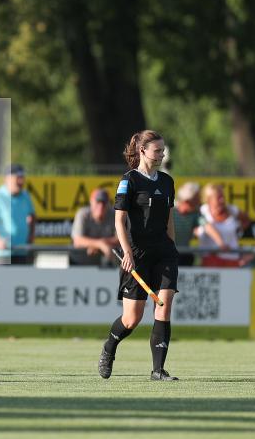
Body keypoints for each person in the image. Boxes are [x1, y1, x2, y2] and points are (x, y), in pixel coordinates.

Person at [98, 130, 180, 382]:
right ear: (143, 151)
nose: (162, 154)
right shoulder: (129, 181)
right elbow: (119, 221)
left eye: (163, 150)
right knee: (132, 318)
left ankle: (158, 370)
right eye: (157, 150)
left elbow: (168, 219)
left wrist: (172, 248)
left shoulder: (167, 182)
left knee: (163, 307)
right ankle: (109, 347)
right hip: (137, 255)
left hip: (164, 253)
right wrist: (127, 253)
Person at [0, 164, 36, 264]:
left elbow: (32, 216)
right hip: (3, 254)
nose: (21, 181)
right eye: (18, 178)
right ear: (7, 179)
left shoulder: (25, 195)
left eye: (22, 178)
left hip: (22, 252)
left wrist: (31, 236)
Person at [197, 184, 251, 268]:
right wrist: (221, 244)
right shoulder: (202, 211)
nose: (222, 200)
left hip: (232, 259)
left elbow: (246, 219)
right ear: (209, 199)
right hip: (210, 259)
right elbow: (206, 227)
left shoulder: (232, 209)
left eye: (223, 197)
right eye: (218, 198)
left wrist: (239, 230)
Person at [70, 188, 119, 266]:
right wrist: (100, 245)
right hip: (82, 261)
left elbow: (119, 239)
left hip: (108, 261)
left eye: (104, 203)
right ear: (91, 202)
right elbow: (77, 240)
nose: (101, 206)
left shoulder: (114, 215)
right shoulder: (83, 214)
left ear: (108, 204)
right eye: (98, 202)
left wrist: (96, 245)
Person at [172, 182, 201, 266]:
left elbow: (206, 226)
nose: (199, 201)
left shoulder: (196, 214)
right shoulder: (170, 210)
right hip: (168, 254)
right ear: (188, 200)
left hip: (184, 255)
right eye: (197, 198)